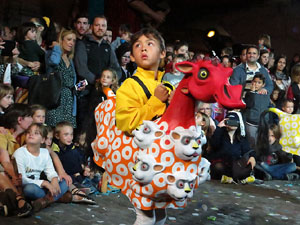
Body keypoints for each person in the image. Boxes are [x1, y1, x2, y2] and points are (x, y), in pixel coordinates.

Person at [116, 27, 169, 224]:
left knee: (161, 210)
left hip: (164, 158)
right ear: (132, 56)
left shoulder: (169, 82)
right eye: (137, 46)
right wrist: (155, 102)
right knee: (145, 214)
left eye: (150, 44)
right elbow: (127, 122)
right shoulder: (129, 85)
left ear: (162, 53)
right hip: (142, 158)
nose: (143, 49)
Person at [74, 15, 121, 131]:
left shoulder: (107, 46)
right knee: (84, 127)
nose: (100, 28)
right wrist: (97, 81)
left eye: (103, 25)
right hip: (86, 92)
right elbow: (81, 69)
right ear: (91, 27)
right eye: (97, 25)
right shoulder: (83, 44)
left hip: (104, 94)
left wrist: (111, 80)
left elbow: (117, 68)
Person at [13, 123, 69, 212]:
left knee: (66, 182)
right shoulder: (20, 153)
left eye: (36, 133)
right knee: (29, 189)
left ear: (43, 139)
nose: (31, 134)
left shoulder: (44, 153)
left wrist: (54, 180)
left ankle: (45, 201)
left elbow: (50, 171)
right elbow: (22, 179)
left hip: (41, 188)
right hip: (32, 186)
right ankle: (56, 197)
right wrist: (44, 183)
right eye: (29, 132)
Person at [46, 29, 82, 128]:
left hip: (69, 102)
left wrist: (78, 87)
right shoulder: (52, 54)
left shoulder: (71, 60)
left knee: (66, 133)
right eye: (69, 39)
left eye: (74, 40)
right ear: (61, 40)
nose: (72, 43)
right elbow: (54, 62)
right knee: (53, 130)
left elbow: (71, 82)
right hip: (56, 99)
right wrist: (57, 48)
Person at [208, 111, 256, 182]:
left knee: (247, 166)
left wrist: (252, 157)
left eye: (235, 122)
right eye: (230, 121)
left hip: (235, 165)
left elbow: (249, 150)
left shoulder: (241, 138)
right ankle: (236, 177)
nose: (233, 124)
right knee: (218, 167)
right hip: (222, 164)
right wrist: (218, 128)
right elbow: (214, 144)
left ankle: (235, 177)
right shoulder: (220, 134)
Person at [243, 74, 271, 148]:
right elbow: (249, 104)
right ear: (252, 82)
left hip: (263, 124)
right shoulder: (248, 94)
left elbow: (268, 108)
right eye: (255, 82)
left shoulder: (266, 95)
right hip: (251, 123)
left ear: (263, 84)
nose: (256, 84)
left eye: (259, 83)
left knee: (262, 144)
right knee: (252, 144)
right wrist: (252, 92)